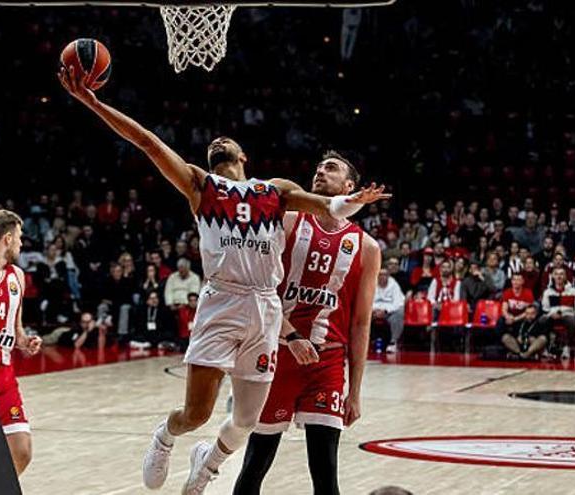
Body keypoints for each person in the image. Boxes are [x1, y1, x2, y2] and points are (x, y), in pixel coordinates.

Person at [58, 67, 388, 494]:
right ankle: (165, 436)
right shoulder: (200, 185)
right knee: (197, 413)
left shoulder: (274, 191)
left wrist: (353, 200)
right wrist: (93, 103)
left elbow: (328, 207)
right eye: (211, 142)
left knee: (247, 420)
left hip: (265, 307)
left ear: (243, 156)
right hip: (222, 301)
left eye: (225, 141)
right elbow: (146, 141)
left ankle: (208, 462)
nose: (217, 141)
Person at [236, 153, 381, 495]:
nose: (320, 171)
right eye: (318, 167)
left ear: (349, 186)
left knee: (326, 474)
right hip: (279, 354)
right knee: (255, 464)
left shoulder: (367, 247)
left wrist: (355, 392)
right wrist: (292, 335)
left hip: (327, 363)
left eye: (331, 168)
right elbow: (262, 293)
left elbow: (361, 324)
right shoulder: (288, 223)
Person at [0, 209, 43, 475]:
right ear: (7, 239)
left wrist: (24, 340)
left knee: (21, 449)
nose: (21, 243)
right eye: (19, 237)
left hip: (4, 376)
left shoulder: (17, 276)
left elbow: (16, 328)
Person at [371, 267, 406, 353]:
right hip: (373, 311)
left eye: (385, 275)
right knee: (361, 314)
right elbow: (367, 301)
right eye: (380, 275)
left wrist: (385, 311)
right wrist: (374, 310)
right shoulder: (371, 283)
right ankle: (365, 342)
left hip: (389, 312)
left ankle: (393, 343)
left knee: (399, 313)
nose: (382, 277)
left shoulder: (394, 285)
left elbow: (398, 303)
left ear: (388, 276)